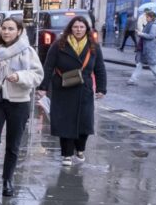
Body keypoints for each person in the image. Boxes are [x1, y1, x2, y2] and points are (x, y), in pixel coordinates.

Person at [0, 15, 43, 197]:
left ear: (19, 31)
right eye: (4, 28)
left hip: (19, 102)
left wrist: (20, 77)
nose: (6, 32)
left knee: (13, 145)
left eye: (11, 28)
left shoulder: (27, 51)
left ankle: (8, 180)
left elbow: (37, 76)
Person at [39, 15, 107, 167]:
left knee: (85, 122)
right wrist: (43, 87)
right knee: (65, 123)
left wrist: (102, 88)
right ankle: (67, 154)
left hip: (84, 89)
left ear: (86, 30)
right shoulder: (58, 45)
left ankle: (80, 149)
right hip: (63, 88)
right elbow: (48, 66)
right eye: (75, 27)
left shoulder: (93, 46)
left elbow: (100, 68)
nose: (78, 30)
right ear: (70, 28)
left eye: (82, 27)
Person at [128, 9, 156, 86]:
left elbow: (152, 36)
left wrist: (141, 34)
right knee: (140, 64)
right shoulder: (149, 24)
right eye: (146, 17)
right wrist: (140, 33)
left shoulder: (154, 25)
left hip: (150, 48)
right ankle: (133, 79)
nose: (146, 18)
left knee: (152, 64)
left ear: (151, 17)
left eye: (147, 17)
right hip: (145, 47)